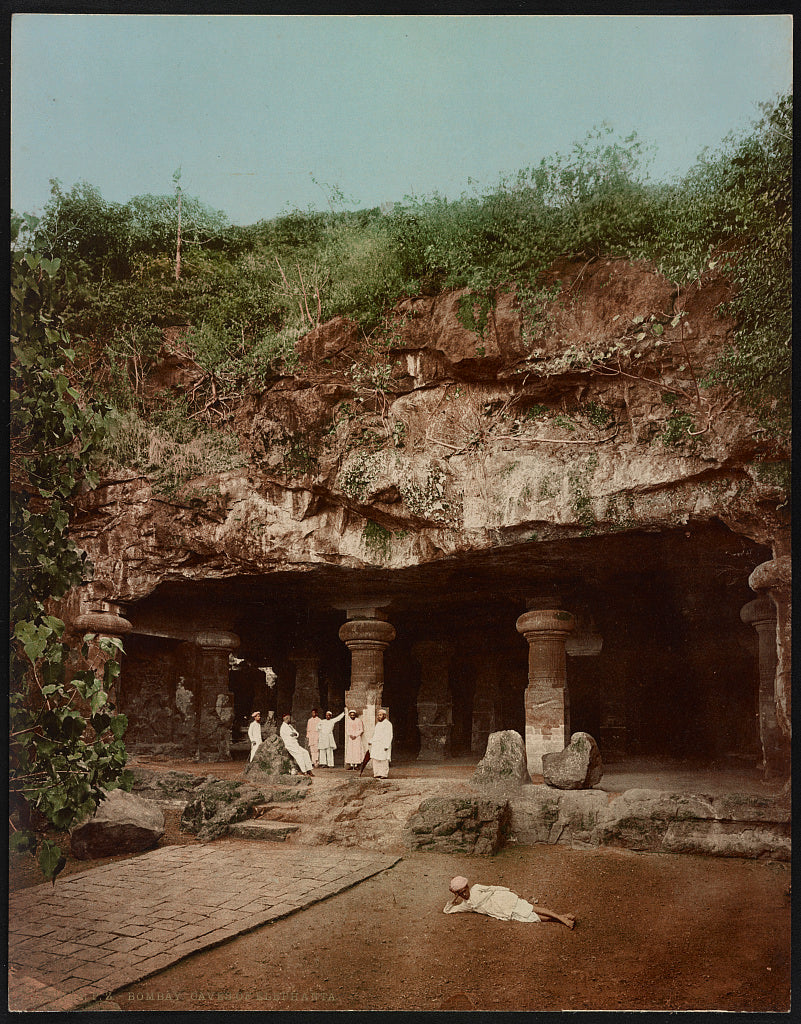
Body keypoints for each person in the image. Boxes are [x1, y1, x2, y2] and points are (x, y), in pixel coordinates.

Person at [444, 876, 575, 927]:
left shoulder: (477, 888)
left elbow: (493, 888)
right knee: (532, 918)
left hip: (504, 900)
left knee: (532, 909)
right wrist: (454, 897)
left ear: (467, 886)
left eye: (464, 890)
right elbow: (448, 910)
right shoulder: (466, 905)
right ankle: (562, 918)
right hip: (503, 912)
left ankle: (562, 919)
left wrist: (510, 890)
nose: (464, 894)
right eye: (460, 893)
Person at [369, 708, 393, 778]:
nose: (378, 716)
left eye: (380, 715)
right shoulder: (378, 724)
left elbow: (390, 735)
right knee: (376, 759)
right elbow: (375, 734)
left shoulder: (388, 724)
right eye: (378, 715)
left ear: (384, 716)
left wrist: (387, 745)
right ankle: (376, 773)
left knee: (383, 760)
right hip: (376, 745)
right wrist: (371, 741)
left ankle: (384, 774)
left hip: (383, 745)